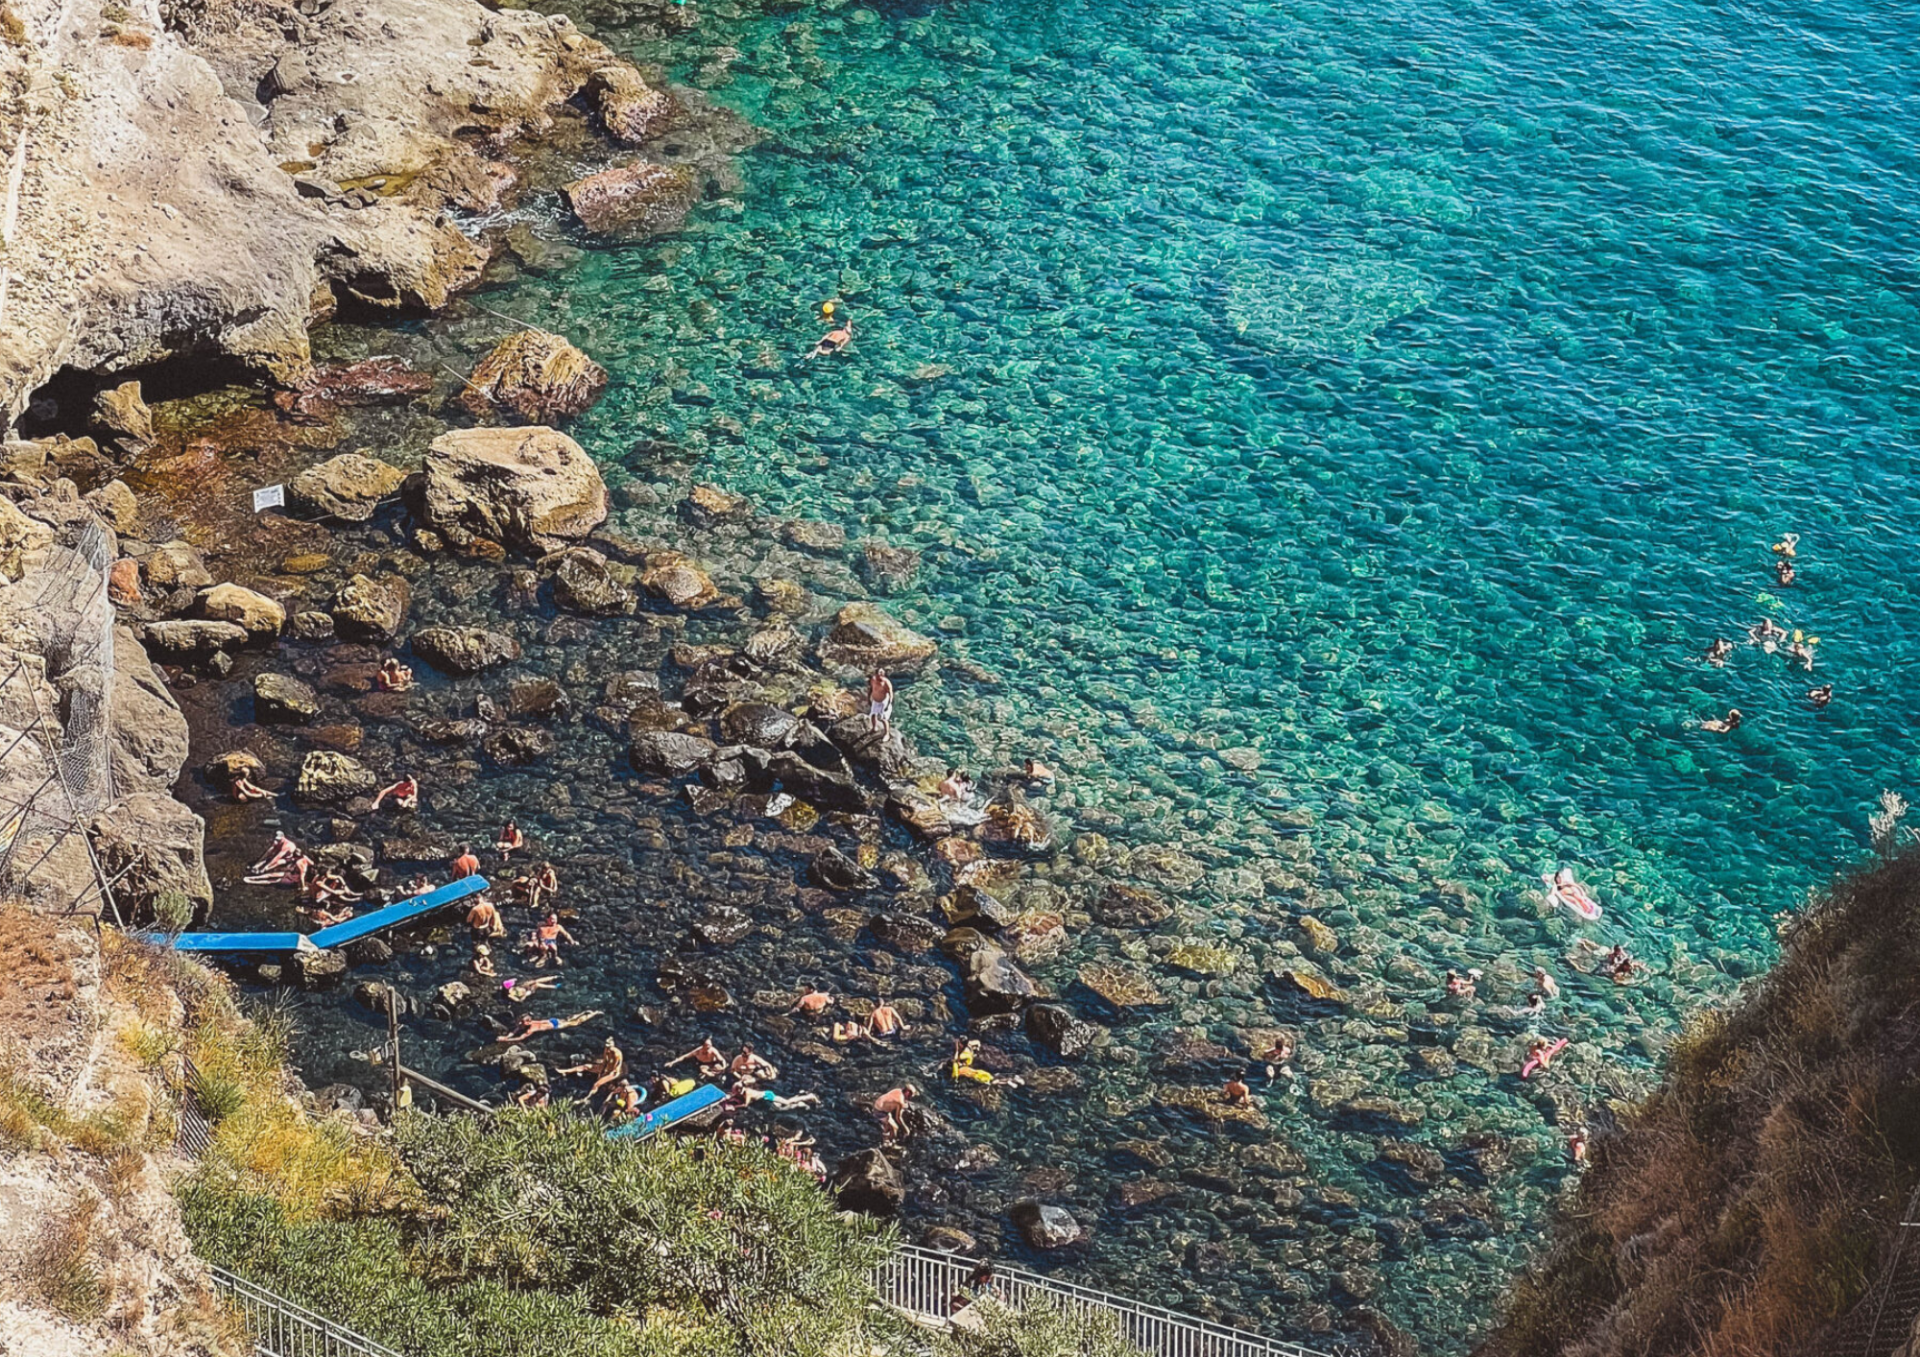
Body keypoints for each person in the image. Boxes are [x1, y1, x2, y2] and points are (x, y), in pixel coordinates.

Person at [560, 1037, 626, 1099]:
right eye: (607, 1047)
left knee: (596, 1084)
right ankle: (566, 1071)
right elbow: (604, 1062)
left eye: (609, 1047)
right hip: (606, 1068)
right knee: (586, 1066)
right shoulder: (606, 1049)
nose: (608, 1049)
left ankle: (586, 1098)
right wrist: (601, 1070)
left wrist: (604, 1074)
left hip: (613, 1072)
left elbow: (615, 1068)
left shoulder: (617, 1054)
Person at [495, 1010, 601, 1043]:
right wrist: (506, 1037)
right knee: (569, 1019)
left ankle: (593, 1014)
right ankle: (584, 1012)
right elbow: (514, 1032)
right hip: (552, 1020)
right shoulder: (528, 1024)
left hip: (555, 1025)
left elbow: (520, 1037)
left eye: (522, 1022)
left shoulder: (532, 1029)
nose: (520, 1023)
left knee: (576, 1022)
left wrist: (504, 1040)